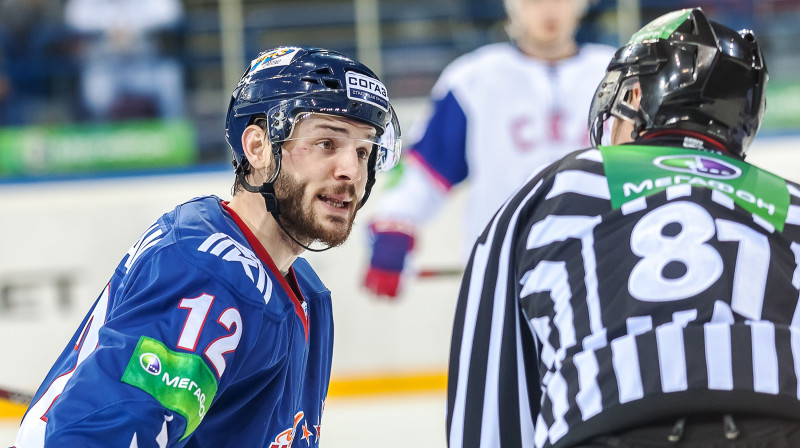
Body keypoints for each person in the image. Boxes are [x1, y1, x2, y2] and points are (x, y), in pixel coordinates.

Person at [13, 46, 401, 447]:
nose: (352, 171)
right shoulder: (210, 275)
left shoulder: (305, 291)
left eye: (363, 150)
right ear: (258, 148)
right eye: (326, 143)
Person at [447, 8, 800, 448]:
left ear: (633, 98)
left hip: (608, 427)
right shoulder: (792, 203)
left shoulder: (555, 187)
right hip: (780, 426)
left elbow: (490, 398)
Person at [362, 0, 616, 298]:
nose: (549, 9)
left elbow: (645, 167)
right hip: (503, 272)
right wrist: (396, 221)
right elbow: (426, 169)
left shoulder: (616, 72)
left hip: (601, 267)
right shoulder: (474, 79)